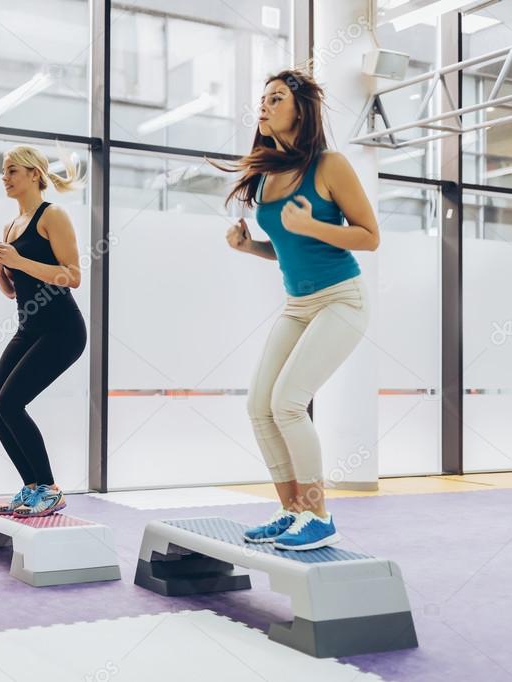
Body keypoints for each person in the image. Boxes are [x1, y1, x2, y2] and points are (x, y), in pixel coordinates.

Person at [215, 69, 380, 550]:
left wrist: (315, 226)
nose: (263, 106)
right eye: (262, 99)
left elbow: (369, 237)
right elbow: (289, 246)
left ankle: (319, 514)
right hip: (298, 305)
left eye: (275, 98)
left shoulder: (330, 165)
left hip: (341, 300)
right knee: (259, 406)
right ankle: (292, 511)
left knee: (287, 402)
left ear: (300, 110)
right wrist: (253, 249)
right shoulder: (265, 174)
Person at [0, 144, 87, 518]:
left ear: (33, 174)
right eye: (4, 170)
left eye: (12, 170)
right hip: (28, 327)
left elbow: (73, 277)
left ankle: (50, 488)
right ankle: (31, 488)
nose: (5, 177)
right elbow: (14, 291)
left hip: (63, 330)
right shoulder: (10, 226)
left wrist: (19, 260)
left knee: (11, 402)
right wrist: (1, 274)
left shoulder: (52, 216)